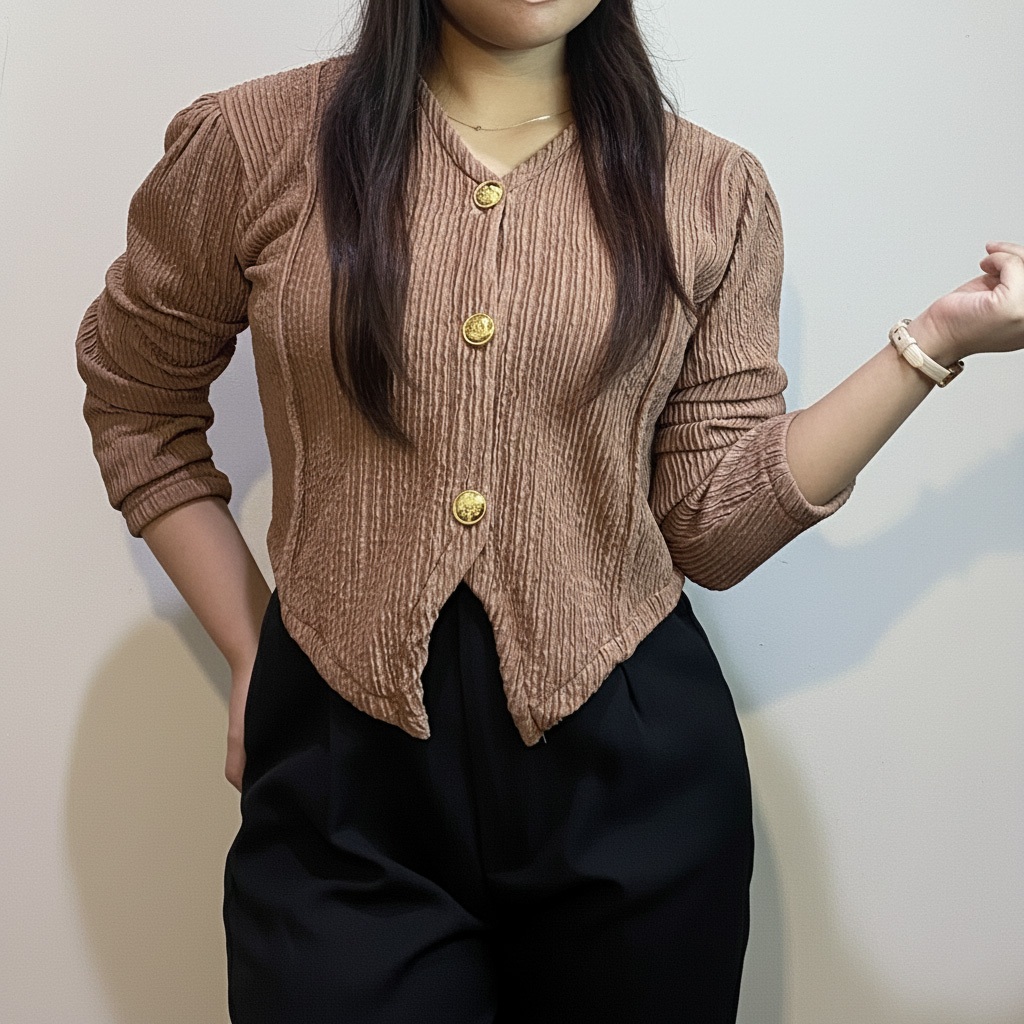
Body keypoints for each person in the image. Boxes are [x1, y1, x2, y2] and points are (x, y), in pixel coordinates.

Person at [73, 1, 1023, 1021]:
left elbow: (712, 526)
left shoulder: (712, 189)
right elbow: (138, 401)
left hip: (633, 779)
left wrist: (932, 343)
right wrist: (253, 648)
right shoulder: (253, 144)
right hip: (338, 784)